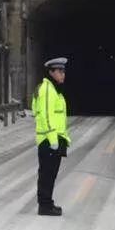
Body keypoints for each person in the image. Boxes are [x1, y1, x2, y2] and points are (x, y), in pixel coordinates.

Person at [33, 57, 70, 216]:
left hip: (54, 139)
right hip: (49, 140)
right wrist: (53, 139)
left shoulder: (54, 89)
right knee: (47, 174)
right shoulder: (47, 89)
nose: (62, 74)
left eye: (63, 71)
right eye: (59, 71)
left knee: (50, 174)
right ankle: (45, 205)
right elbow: (45, 116)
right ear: (50, 72)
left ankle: (47, 203)